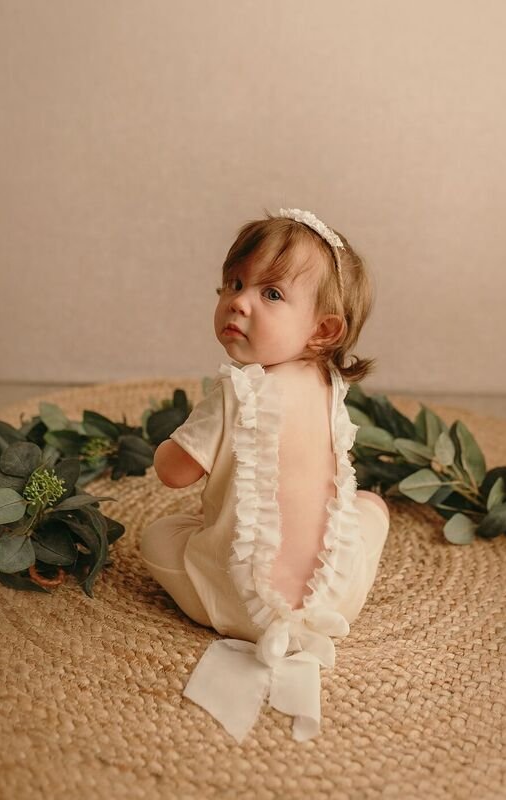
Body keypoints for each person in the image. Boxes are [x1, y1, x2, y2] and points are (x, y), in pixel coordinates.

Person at [140, 208, 390, 743]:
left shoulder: (235, 395)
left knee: (156, 536)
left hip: (236, 604)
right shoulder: (328, 388)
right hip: (331, 605)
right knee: (370, 508)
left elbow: (173, 473)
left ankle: (224, 570)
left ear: (323, 329)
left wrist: (168, 446)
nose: (239, 301)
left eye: (271, 294)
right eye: (233, 283)